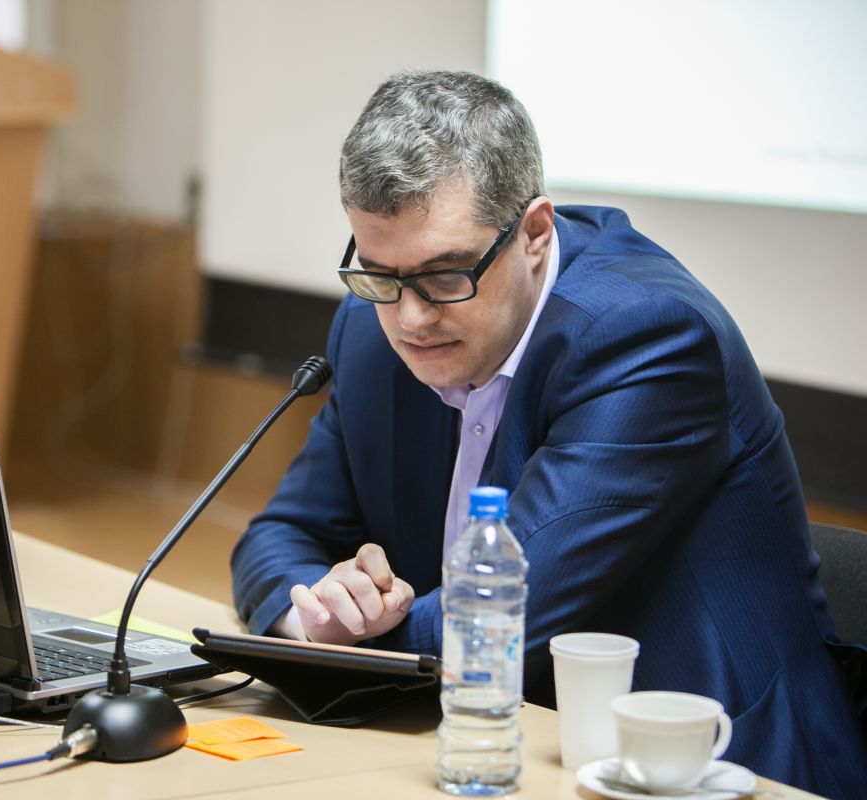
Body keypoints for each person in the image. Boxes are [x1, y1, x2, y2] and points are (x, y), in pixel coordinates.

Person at [230, 70, 866, 797]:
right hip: (490, 741)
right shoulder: (371, 330)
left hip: (707, 765)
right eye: (379, 275)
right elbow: (277, 538)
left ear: (534, 232)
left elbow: (495, 627)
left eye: (445, 275)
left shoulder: (647, 338)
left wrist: (343, 644)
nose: (410, 317)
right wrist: (319, 611)